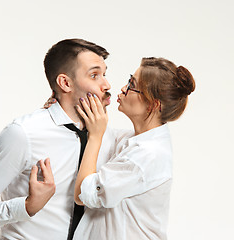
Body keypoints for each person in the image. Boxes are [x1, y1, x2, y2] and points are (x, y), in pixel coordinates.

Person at [0, 39, 118, 240]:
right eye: (94, 75)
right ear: (65, 83)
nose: (106, 85)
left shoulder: (105, 136)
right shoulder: (22, 134)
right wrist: (26, 206)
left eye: (104, 74)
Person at [72, 57, 195, 239]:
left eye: (132, 84)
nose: (123, 89)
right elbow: (102, 136)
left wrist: (96, 135)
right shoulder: (136, 139)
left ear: (153, 105)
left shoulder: (146, 155)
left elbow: (83, 194)